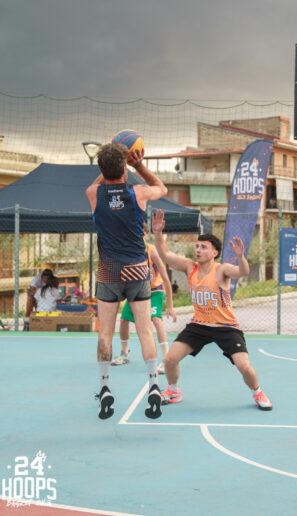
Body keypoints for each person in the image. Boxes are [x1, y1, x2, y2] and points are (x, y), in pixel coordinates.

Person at [152, 209, 273, 411]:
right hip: (199, 325)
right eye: (197, 246)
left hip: (226, 327)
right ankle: (173, 391)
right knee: (170, 359)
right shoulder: (190, 267)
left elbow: (242, 271)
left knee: (244, 366)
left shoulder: (222, 269)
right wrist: (157, 233)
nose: (198, 250)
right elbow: (166, 254)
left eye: (203, 247)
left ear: (214, 253)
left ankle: (257, 391)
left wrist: (240, 257)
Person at [86, 143, 167, 420]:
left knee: (105, 334)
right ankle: (153, 384)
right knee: (144, 330)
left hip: (109, 272)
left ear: (102, 169)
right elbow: (162, 188)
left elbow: (99, 181)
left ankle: (104, 388)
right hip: (137, 271)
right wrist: (138, 165)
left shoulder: (93, 193)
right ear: (124, 170)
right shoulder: (138, 192)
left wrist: (110, 166)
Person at [112, 222, 177, 372]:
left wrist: (171, 306)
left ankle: (166, 359)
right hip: (137, 291)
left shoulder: (152, 251)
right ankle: (125, 353)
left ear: (146, 236)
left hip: (155, 291)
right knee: (123, 320)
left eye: (141, 234)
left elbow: (166, 278)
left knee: (156, 319)